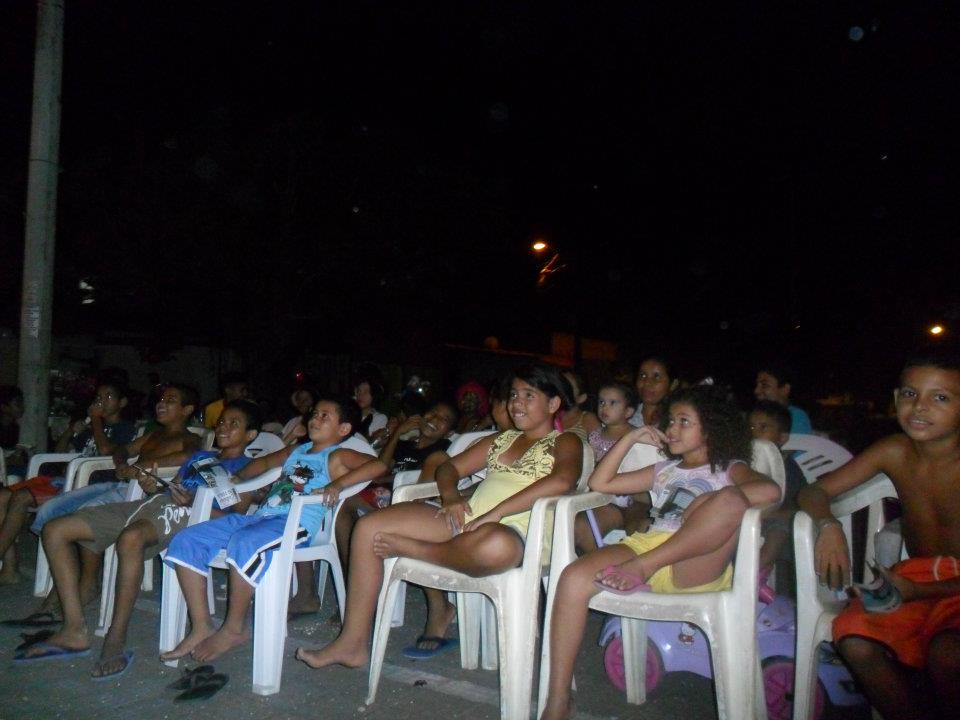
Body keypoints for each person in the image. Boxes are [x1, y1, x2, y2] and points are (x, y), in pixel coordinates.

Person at [293, 363, 583, 671]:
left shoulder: (565, 441)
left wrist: (496, 514)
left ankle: (413, 549)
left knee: (496, 546)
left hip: (518, 531)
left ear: (553, 403)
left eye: (528, 395)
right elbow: (448, 467)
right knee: (368, 527)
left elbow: (563, 481)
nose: (516, 403)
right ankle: (351, 644)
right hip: (467, 520)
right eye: (513, 395)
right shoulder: (502, 440)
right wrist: (451, 496)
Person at [541, 385, 781, 719]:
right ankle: (558, 699)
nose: (672, 429)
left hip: (693, 561)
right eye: (670, 421)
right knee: (571, 577)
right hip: (646, 547)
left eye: (684, 421)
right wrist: (631, 437)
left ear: (711, 428)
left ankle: (646, 566)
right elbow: (600, 483)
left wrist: (710, 498)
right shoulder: (664, 470)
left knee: (730, 500)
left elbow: (770, 491)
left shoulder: (729, 469)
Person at [14, 400, 262, 675]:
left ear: (250, 434)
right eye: (223, 421)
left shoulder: (247, 467)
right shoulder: (201, 457)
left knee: (130, 538)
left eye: (234, 423)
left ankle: (116, 638)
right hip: (153, 504)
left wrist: (192, 503)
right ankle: (74, 629)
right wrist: (152, 484)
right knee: (56, 530)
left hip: (189, 516)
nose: (224, 427)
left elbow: (234, 515)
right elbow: (173, 488)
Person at [797, 347, 960, 720]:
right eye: (910, 394)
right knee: (854, 639)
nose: (919, 407)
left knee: (948, 654)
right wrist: (828, 525)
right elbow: (813, 491)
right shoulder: (895, 450)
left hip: (949, 586)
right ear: (896, 398)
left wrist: (918, 592)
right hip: (916, 576)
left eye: (940, 398)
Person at [160, 395, 386, 663]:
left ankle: (234, 629)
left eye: (325, 416)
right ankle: (201, 626)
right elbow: (264, 464)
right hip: (262, 517)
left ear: (344, 428)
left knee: (245, 541)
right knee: (186, 539)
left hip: (294, 525)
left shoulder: (337, 454)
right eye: (315, 413)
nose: (315, 418)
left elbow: (379, 466)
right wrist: (238, 477)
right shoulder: (297, 451)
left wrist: (337, 485)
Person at [3, 384, 201, 627]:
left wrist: (142, 466)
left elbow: (189, 458)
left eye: (170, 400)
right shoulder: (154, 435)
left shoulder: (190, 438)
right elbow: (121, 449)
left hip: (140, 491)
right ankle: (69, 586)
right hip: (119, 483)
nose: (161, 403)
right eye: (161, 399)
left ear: (187, 409)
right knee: (51, 511)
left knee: (84, 515)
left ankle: (84, 584)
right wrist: (122, 462)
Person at [0, 381, 136, 585]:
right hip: (63, 479)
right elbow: (59, 453)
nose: (101, 401)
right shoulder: (91, 429)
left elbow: (106, 451)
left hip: (86, 485)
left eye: (108, 396)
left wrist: (96, 420)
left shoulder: (124, 428)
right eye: (99, 397)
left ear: (122, 402)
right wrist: (72, 430)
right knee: (3, 496)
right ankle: (9, 568)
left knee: (20, 498)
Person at [575, 381, 641, 553]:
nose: (604, 407)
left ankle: (597, 560)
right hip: (592, 494)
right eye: (601, 402)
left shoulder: (636, 437)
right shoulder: (596, 436)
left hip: (620, 501)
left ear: (629, 411)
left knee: (583, 527)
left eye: (613, 403)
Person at [749, 400, 806, 592]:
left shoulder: (787, 468)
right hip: (747, 524)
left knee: (779, 529)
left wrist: (765, 515)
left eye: (763, 427)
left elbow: (799, 509)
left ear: (782, 437)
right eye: (751, 427)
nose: (755, 433)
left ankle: (755, 572)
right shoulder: (741, 465)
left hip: (779, 525)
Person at [754, 362, 813, 434]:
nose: (756, 391)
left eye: (765, 385)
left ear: (785, 389)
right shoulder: (756, 416)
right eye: (757, 385)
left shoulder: (795, 417)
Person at [628, 355, 679, 427]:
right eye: (642, 375)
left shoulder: (676, 421)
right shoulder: (625, 415)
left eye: (657, 377)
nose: (647, 382)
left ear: (673, 384)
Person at [558, 371, 601, 441]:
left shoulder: (587, 419)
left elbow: (600, 446)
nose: (561, 390)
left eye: (568, 387)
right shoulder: (549, 418)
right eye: (559, 384)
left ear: (581, 398)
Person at [0, 385, 26, 479]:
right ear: (4, 407)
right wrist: (10, 460)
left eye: (22, 404)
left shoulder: (14, 427)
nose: (22, 408)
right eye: (17, 404)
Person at [354, 376, 388, 444]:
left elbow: (375, 444)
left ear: (374, 395)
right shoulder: (350, 414)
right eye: (358, 391)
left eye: (365, 392)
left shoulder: (379, 418)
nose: (360, 395)